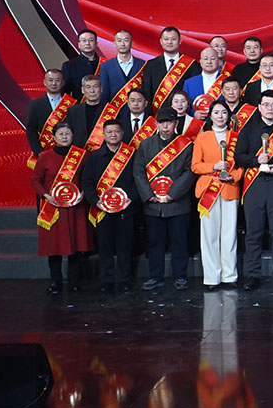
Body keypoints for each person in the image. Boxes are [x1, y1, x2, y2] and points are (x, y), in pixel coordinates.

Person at [235, 90, 273, 291]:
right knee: (253, 233)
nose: (270, 108)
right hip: (254, 185)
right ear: (259, 107)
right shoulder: (248, 130)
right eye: (266, 105)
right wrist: (256, 161)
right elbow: (238, 156)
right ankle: (253, 275)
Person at [133, 107, 196, 291]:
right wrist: (148, 195)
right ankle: (156, 276)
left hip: (178, 203)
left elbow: (189, 172)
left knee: (179, 242)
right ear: (156, 124)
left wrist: (173, 193)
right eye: (162, 123)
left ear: (176, 124)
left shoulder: (186, 145)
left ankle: (180, 276)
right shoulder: (146, 145)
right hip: (153, 204)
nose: (165, 126)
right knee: (155, 243)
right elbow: (138, 172)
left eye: (169, 122)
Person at [31, 122, 91, 294]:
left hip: (76, 208)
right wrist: (46, 195)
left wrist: (84, 192)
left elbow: (88, 178)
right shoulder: (45, 156)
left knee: (76, 248)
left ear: (73, 136)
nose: (65, 137)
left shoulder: (81, 156)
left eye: (68, 133)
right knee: (54, 248)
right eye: (61, 134)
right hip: (53, 209)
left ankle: (74, 282)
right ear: (53, 137)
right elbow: (35, 179)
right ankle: (56, 282)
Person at [82, 118, 139, 292]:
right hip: (102, 210)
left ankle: (124, 279)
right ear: (103, 134)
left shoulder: (132, 155)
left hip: (126, 209)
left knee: (125, 246)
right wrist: (95, 201)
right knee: (104, 246)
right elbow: (87, 182)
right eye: (109, 132)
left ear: (122, 133)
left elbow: (138, 180)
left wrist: (131, 198)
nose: (113, 135)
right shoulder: (94, 157)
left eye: (116, 131)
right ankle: (106, 280)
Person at [191, 101, 244, 290]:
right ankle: (211, 277)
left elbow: (242, 165)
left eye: (223, 112)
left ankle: (229, 275)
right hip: (209, 190)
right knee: (209, 234)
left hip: (230, 188)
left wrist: (233, 176)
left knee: (229, 234)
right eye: (216, 112)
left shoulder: (236, 137)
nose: (220, 116)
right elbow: (195, 166)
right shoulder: (202, 137)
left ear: (229, 116)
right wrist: (213, 167)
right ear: (210, 116)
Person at [142, 26, 200, 110]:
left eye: (173, 39)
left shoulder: (191, 65)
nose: (169, 42)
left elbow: (194, 92)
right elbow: (147, 93)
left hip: (183, 113)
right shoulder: (151, 65)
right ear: (161, 41)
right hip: (158, 114)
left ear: (180, 41)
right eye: (166, 39)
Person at [26, 69, 73, 165]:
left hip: (67, 154)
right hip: (45, 152)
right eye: (50, 80)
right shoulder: (36, 104)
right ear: (44, 82)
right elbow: (31, 130)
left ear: (63, 82)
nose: (54, 83)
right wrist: (39, 152)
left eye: (57, 80)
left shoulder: (71, 104)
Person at [100, 29, 146, 102]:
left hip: (137, 107)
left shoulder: (143, 65)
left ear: (132, 43)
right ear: (114, 44)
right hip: (115, 108)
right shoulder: (106, 66)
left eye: (126, 40)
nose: (122, 44)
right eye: (119, 40)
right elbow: (104, 94)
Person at [67, 75, 106, 148]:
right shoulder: (73, 111)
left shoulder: (109, 110)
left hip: (103, 152)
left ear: (101, 89)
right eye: (88, 87)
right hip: (79, 152)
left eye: (95, 86)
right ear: (82, 90)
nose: (92, 91)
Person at [61, 29, 101, 101]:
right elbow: (64, 93)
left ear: (96, 44)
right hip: (79, 106)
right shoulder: (69, 66)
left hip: (103, 106)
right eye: (84, 40)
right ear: (79, 44)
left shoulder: (105, 64)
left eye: (91, 40)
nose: (87, 43)